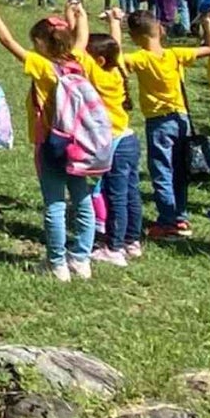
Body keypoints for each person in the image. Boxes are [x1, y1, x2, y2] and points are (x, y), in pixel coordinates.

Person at [0, 0, 97, 281]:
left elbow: (7, 42)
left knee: (54, 204)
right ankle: (81, 258)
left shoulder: (43, 66)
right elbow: (82, 38)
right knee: (82, 198)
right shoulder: (79, 60)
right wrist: (78, 14)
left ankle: (57, 263)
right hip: (81, 142)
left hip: (52, 142)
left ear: (41, 43)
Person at [116, 9, 210, 239]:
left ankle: (168, 222)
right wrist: (207, 21)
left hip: (158, 122)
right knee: (180, 171)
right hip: (181, 120)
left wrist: (114, 23)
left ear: (134, 37)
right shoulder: (175, 54)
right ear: (160, 30)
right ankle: (180, 217)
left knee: (162, 170)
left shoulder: (141, 58)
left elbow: (115, 58)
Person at [79, 23, 142, 266]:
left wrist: (78, 19)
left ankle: (114, 248)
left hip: (114, 143)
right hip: (128, 139)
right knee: (130, 193)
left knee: (115, 196)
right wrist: (115, 23)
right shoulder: (118, 71)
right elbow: (113, 47)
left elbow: (79, 55)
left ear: (101, 60)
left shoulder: (99, 75)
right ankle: (131, 241)